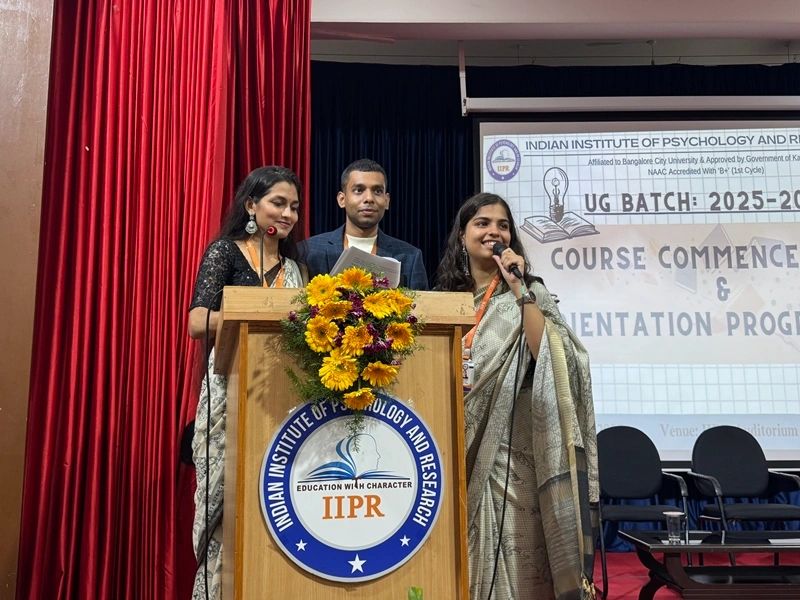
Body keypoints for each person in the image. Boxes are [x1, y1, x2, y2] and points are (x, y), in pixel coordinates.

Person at [435, 192, 598, 600]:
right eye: (482, 223)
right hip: (457, 444)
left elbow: (557, 359)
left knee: (516, 553)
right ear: (462, 235)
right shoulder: (445, 301)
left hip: (513, 452)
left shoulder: (529, 291)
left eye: (503, 225)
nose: (494, 231)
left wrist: (520, 289)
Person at [188, 166, 306, 600]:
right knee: (226, 504)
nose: (288, 213)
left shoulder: (296, 269)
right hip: (229, 392)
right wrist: (250, 313)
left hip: (281, 399)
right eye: (279, 203)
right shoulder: (225, 252)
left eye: (294, 206)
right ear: (251, 205)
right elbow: (197, 321)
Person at [300, 159, 429, 289]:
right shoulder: (308, 251)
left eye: (377, 191)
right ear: (342, 199)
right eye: (359, 190)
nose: (369, 198)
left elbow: (422, 302)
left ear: (386, 201)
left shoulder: (410, 257)